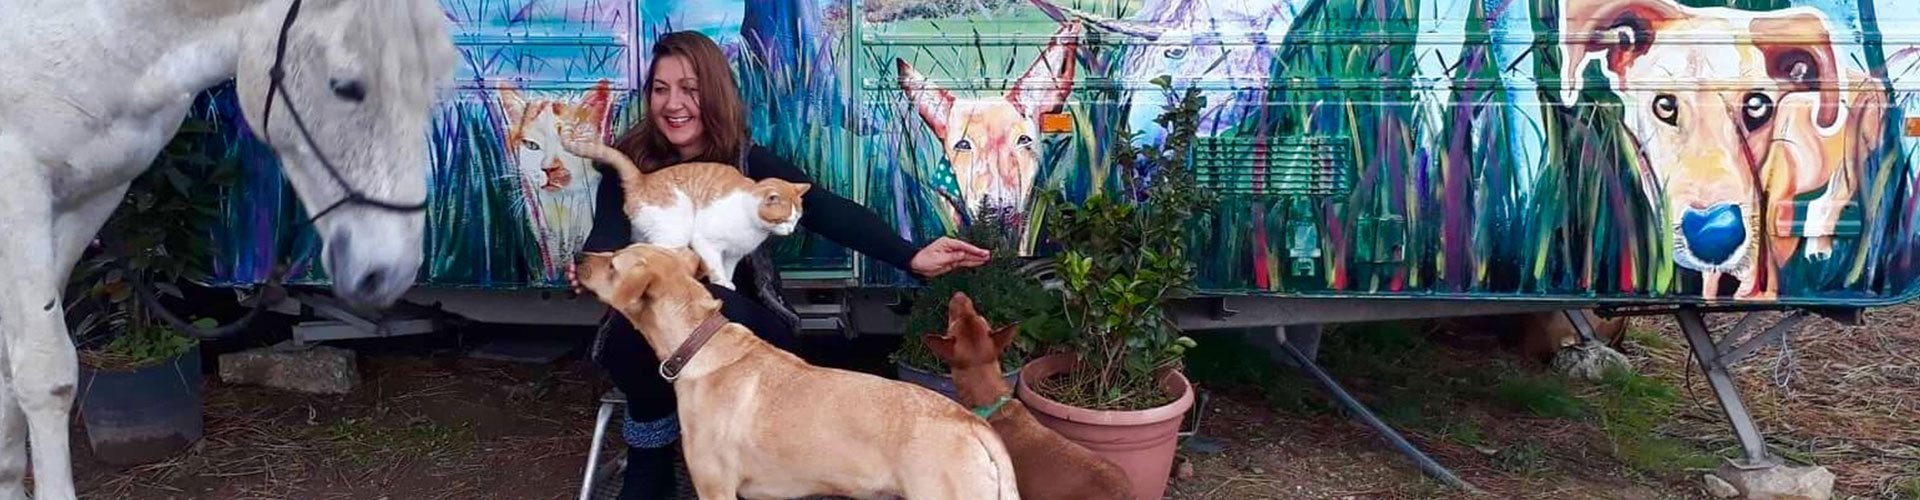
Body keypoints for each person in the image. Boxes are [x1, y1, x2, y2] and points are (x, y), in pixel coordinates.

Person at [566, 31, 992, 500]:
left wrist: (909, 254)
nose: (674, 104)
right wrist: (589, 269)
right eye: (660, 89)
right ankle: (651, 457)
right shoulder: (630, 170)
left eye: (690, 89)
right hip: (652, 348)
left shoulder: (747, 162)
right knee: (631, 324)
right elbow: (606, 239)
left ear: (714, 93)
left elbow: (823, 208)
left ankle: (758, 464)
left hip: (750, 326)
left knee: (715, 300)